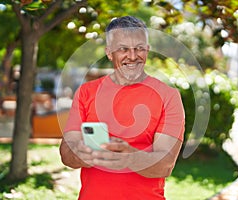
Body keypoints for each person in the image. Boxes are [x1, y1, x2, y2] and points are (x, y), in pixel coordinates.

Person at [59, 16, 185, 200]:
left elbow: (165, 165)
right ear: (109, 52)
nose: (132, 56)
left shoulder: (168, 96)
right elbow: (66, 155)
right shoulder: (86, 92)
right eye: (123, 49)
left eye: (139, 48)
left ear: (147, 50)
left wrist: (129, 156)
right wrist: (83, 154)